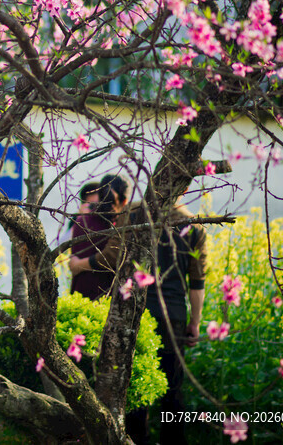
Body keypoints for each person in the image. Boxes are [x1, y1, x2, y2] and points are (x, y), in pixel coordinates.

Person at [127, 204, 208, 445]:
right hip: (173, 315)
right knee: (172, 389)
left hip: (137, 312)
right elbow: (197, 282)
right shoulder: (194, 226)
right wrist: (195, 323)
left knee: (137, 382)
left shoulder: (137, 216)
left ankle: (134, 440)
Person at [68, 174, 131, 299]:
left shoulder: (81, 220)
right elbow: (111, 257)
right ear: (125, 201)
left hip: (79, 295)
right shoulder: (118, 225)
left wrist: (78, 265)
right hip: (107, 296)